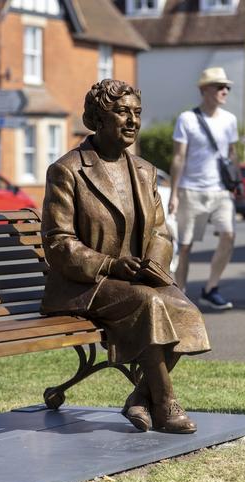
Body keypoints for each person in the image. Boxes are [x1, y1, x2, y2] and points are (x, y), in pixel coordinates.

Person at [40, 79, 211, 434]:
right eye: (121, 112)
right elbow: (58, 242)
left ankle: (138, 397)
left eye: (137, 113)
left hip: (135, 281)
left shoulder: (145, 172)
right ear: (98, 119)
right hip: (83, 285)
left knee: (186, 311)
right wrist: (111, 265)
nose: (132, 121)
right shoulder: (67, 170)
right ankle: (164, 403)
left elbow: (160, 232)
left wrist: (153, 265)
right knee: (149, 304)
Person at [168, 67, 239, 310]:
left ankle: (211, 288)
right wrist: (174, 194)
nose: (225, 91)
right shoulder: (186, 119)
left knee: (228, 236)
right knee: (185, 245)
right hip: (191, 190)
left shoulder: (230, 120)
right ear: (204, 90)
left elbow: (232, 154)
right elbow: (179, 158)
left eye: (227, 87)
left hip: (221, 191)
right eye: (219, 86)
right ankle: (181, 295)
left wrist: (233, 184)